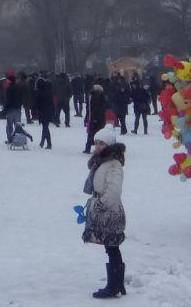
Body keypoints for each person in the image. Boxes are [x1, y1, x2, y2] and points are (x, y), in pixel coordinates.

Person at [82, 127, 126, 299]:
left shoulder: (113, 164)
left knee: (112, 247)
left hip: (110, 211)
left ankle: (113, 286)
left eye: (102, 143)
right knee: (111, 247)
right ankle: (118, 283)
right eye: (96, 143)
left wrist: (101, 204)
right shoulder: (101, 161)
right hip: (103, 208)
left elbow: (114, 190)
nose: (98, 146)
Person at [85, 85, 108, 153]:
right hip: (98, 118)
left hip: (94, 117)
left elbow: (91, 108)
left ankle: (88, 148)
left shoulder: (93, 96)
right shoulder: (98, 96)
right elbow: (97, 108)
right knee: (98, 134)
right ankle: (101, 148)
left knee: (91, 133)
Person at [35, 77, 55, 149]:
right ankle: (45, 142)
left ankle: (46, 143)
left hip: (43, 111)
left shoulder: (40, 93)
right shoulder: (48, 91)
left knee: (45, 127)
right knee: (45, 127)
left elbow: (37, 104)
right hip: (49, 111)